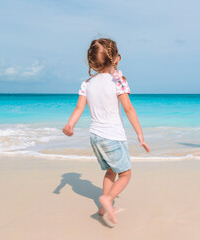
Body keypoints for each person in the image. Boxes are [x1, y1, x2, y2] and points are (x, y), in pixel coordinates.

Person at [63, 38, 150, 224]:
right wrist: (140, 135)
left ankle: (103, 208)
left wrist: (70, 125)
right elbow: (128, 109)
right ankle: (108, 199)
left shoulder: (87, 84)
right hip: (113, 136)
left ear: (92, 62)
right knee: (125, 174)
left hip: (95, 136)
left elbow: (79, 108)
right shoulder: (118, 81)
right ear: (116, 59)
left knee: (111, 171)